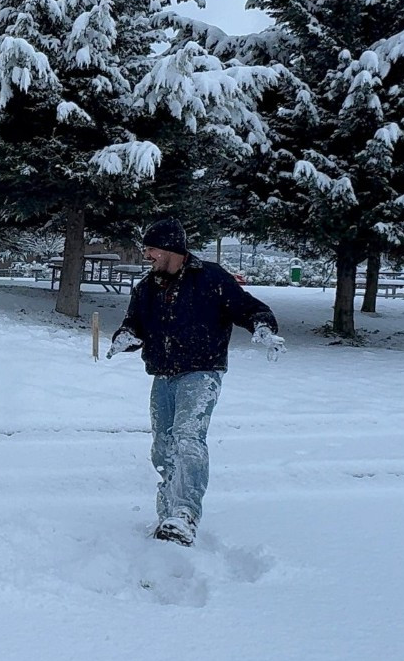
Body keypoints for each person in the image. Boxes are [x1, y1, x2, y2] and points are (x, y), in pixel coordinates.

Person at [107, 217, 286, 546]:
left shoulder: (211, 279)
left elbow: (248, 308)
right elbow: (134, 325)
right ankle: (168, 515)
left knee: (188, 438)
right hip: (163, 375)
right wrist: (125, 338)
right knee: (163, 448)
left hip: (202, 372)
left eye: (152, 250)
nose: (147, 256)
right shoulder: (147, 288)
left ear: (172, 249)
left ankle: (186, 514)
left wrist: (262, 326)